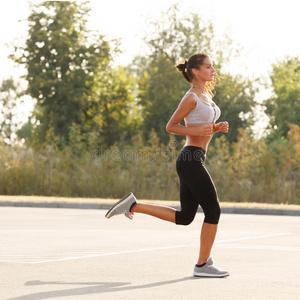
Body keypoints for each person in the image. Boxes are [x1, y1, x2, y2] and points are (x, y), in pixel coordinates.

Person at [105, 53, 229, 278]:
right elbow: (171, 126)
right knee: (213, 210)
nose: (213, 70)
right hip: (190, 159)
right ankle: (203, 265)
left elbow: (202, 126)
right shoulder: (191, 97)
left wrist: (216, 127)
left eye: (212, 66)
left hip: (194, 158)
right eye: (208, 67)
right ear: (195, 71)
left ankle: (133, 206)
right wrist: (196, 131)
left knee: (185, 217)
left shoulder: (205, 96)